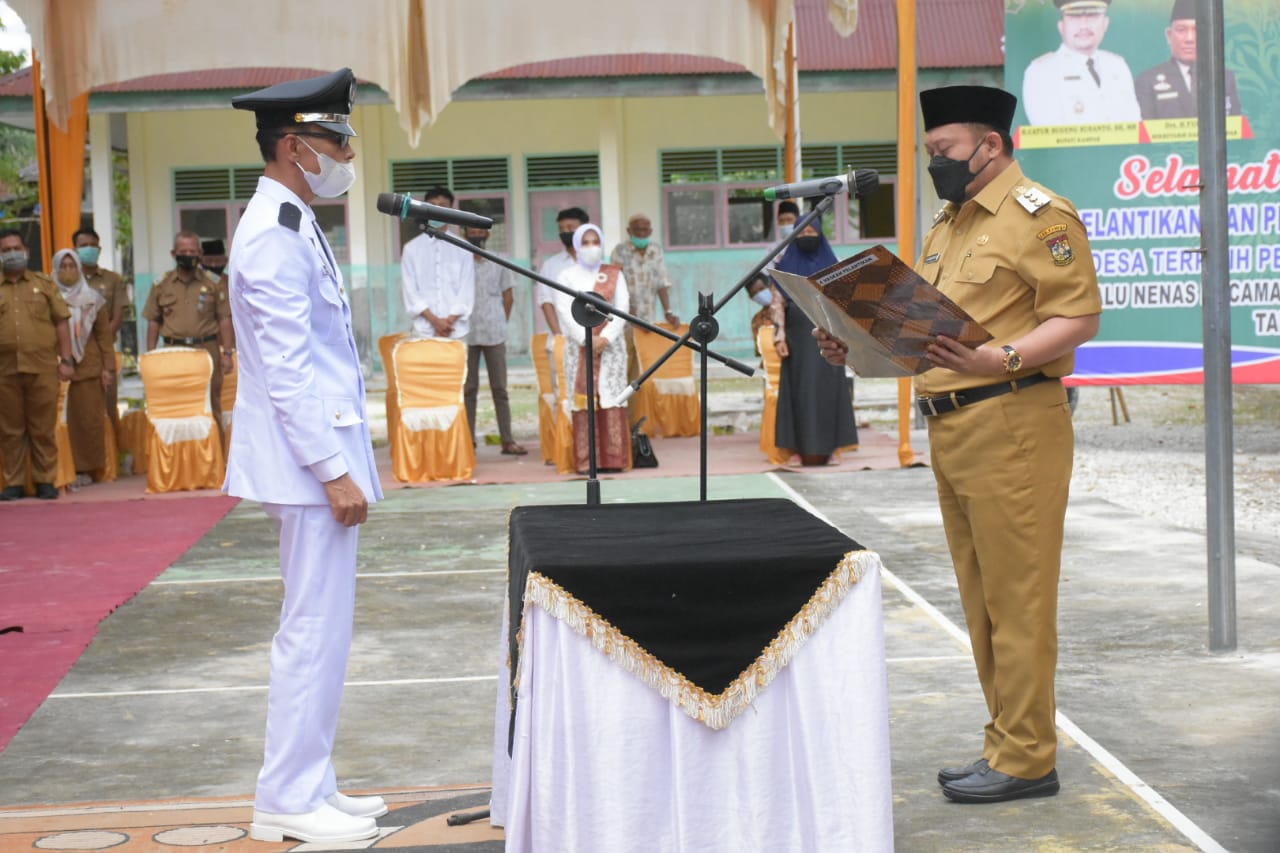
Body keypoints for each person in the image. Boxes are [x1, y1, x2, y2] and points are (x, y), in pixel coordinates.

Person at [817, 84, 1102, 804]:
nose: (935, 163)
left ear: (991, 145)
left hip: (1013, 418)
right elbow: (923, 339)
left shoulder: (1040, 217)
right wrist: (849, 345)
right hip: (954, 424)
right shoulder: (950, 225)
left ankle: (1029, 755)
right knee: (981, 599)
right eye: (930, 151)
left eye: (944, 152)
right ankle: (1005, 742)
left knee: (1019, 597)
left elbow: (1077, 317)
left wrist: (1002, 359)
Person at [226, 67, 386, 844]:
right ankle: (286, 797)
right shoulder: (270, 233)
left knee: (324, 628)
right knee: (310, 629)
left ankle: (311, 780)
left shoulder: (292, 217)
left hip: (314, 459)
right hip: (306, 465)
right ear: (293, 145)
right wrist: (334, 470)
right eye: (336, 139)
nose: (346, 153)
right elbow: (288, 369)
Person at [771, 218, 857, 466]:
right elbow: (777, 303)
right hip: (796, 337)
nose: (806, 236)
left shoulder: (833, 265)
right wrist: (779, 336)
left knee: (829, 391)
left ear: (820, 234)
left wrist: (845, 336)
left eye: (812, 231)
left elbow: (843, 303)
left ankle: (833, 449)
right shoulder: (784, 265)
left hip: (828, 337)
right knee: (798, 391)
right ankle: (797, 450)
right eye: (802, 232)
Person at [0, 230, 74, 500]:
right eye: (5, 250)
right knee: (9, 430)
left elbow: (62, 322)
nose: (11, 253)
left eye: (15, 248)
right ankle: (13, 484)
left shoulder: (44, 284)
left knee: (43, 428)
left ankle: (45, 481)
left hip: (42, 367)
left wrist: (66, 360)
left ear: (26, 251)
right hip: (4, 370)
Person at [553, 223, 631, 473]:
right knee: (583, 400)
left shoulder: (614, 273)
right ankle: (587, 461)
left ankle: (613, 460)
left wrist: (605, 337)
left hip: (611, 347)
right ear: (576, 246)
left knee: (612, 397)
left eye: (594, 241)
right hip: (580, 348)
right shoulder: (566, 276)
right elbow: (564, 310)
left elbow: (622, 308)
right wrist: (587, 339)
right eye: (585, 242)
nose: (590, 247)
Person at [142, 231, 235, 428]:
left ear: (200, 253)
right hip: (172, 353)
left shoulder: (214, 283)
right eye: (183, 251)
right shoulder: (161, 284)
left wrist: (227, 353)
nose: (188, 255)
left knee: (212, 405)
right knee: (174, 408)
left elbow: (224, 319)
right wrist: (150, 355)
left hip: (207, 351)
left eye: (192, 251)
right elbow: (153, 321)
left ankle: (215, 455)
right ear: (173, 253)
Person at [1022, 0, 1142, 126]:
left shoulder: (1118, 65)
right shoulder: (1041, 71)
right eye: (1074, 16)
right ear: (1061, 26)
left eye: (1092, 16)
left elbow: (1134, 122)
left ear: (1105, 24)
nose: (1084, 25)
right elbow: (1047, 132)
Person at [52, 249, 114, 486]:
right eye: (63, 267)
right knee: (61, 422)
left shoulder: (93, 299)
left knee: (88, 421)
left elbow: (104, 337)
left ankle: (85, 469)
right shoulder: (49, 296)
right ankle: (61, 469)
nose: (67, 272)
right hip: (57, 366)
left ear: (79, 269)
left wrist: (107, 368)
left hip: (89, 368)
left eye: (72, 266)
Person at [462, 224, 525, 455]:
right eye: (473, 231)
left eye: (481, 231)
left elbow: (509, 296)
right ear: (465, 233)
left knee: (500, 388)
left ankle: (507, 440)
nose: (476, 234)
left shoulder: (500, 260)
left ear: (487, 234)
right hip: (466, 333)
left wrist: (500, 320)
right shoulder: (461, 262)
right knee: (468, 389)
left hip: (495, 332)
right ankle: (468, 440)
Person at [1135, 0, 1242, 120]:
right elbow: (1146, 132)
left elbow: (1235, 129)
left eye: (1197, 30)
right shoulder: (1147, 81)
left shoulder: (1224, 77)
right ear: (1169, 35)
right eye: (1181, 30)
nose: (1189, 39)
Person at [399, 187, 474, 340]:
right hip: (424, 331)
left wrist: (448, 322)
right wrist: (435, 322)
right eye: (432, 205)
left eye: (443, 206)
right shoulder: (411, 249)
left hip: (455, 330)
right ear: (425, 209)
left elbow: (466, 290)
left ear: (451, 210)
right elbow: (410, 290)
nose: (437, 210)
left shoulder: (464, 248)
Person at [73, 228, 126, 434]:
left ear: (99, 248)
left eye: (92, 245)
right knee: (81, 410)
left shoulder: (112, 279)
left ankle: (112, 459)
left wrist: (98, 342)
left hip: (105, 354)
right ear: (75, 249)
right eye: (83, 245)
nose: (88, 249)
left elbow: (118, 316)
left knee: (108, 405)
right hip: (76, 354)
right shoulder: (69, 281)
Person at [535, 207, 589, 340]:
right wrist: (559, 336)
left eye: (570, 228)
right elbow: (546, 302)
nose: (565, 232)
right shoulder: (550, 265)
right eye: (561, 229)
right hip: (563, 338)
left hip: (594, 339)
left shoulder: (596, 264)